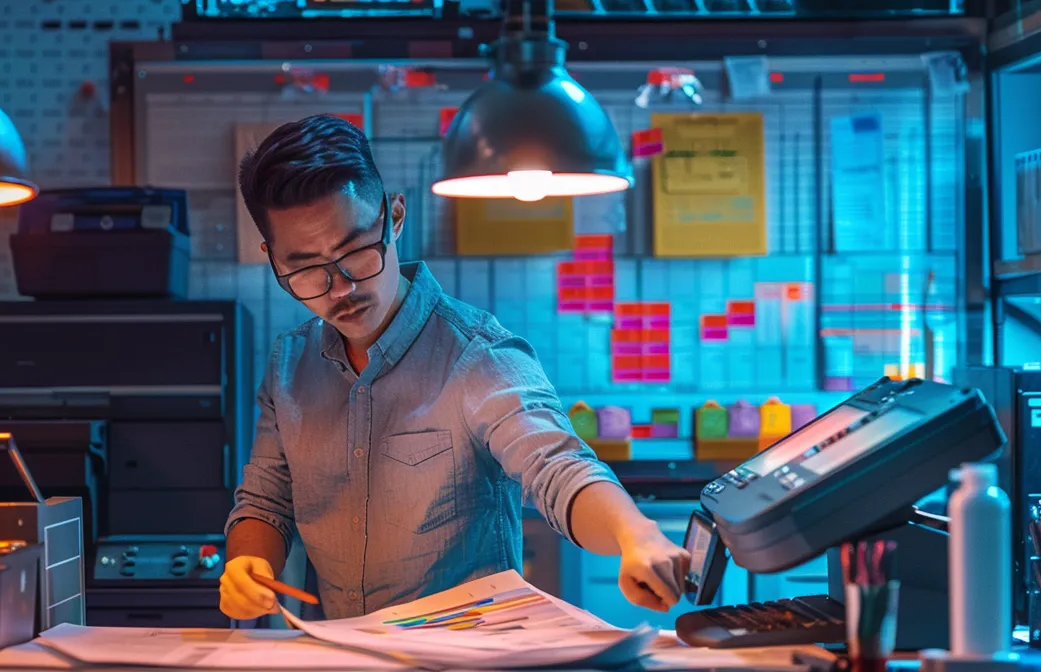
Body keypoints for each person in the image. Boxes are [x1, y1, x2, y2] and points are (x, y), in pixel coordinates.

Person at [219, 114, 690, 621]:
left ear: (394, 217)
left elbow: (556, 467)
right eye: (307, 269)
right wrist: (247, 563)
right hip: (349, 654)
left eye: (355, 252)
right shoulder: (289, 365)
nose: (342, 288)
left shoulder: (479, 356)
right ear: (273, 260)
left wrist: (634, 534)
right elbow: (265, 500)